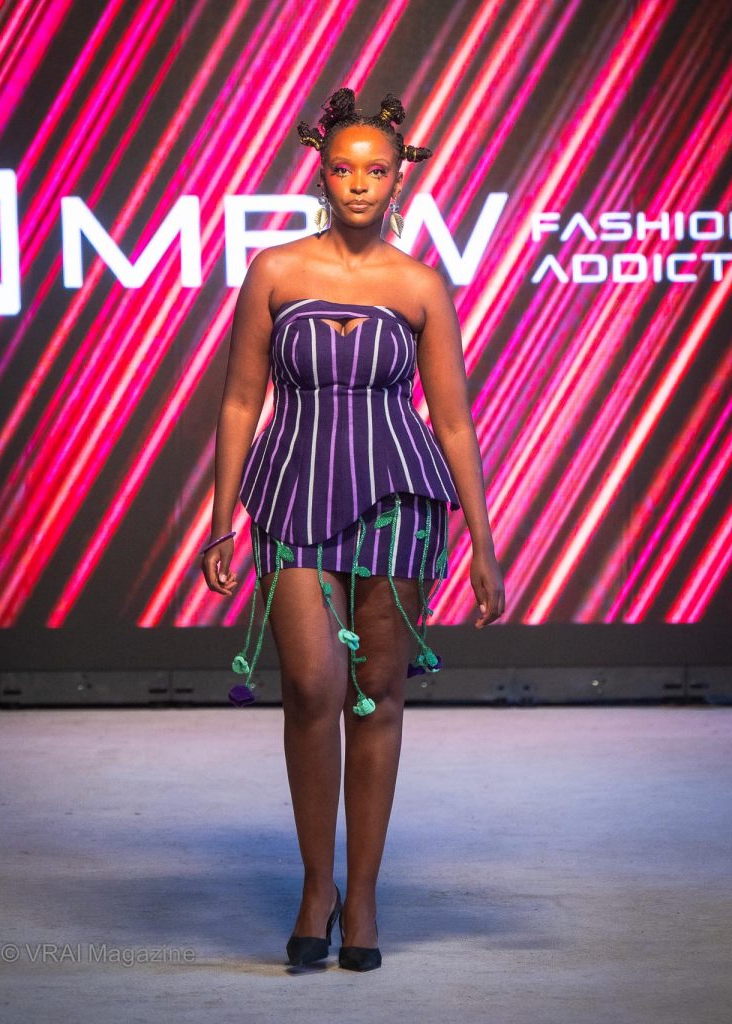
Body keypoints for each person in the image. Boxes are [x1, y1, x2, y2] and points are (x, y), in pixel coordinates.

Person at [201, 87, 505, 972]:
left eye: (376, 169)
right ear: (322, 175)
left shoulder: (419, 284)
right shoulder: (274, 270)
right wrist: (221, 519)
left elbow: (453, 421)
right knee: (310, 687)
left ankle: (363, 896)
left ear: (399, 176)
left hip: (399, 500)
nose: (360, 183)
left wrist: (484, 541)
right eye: (344, 168)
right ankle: (316, 888)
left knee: (377, 695)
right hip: (292, 495)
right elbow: (239, 402)